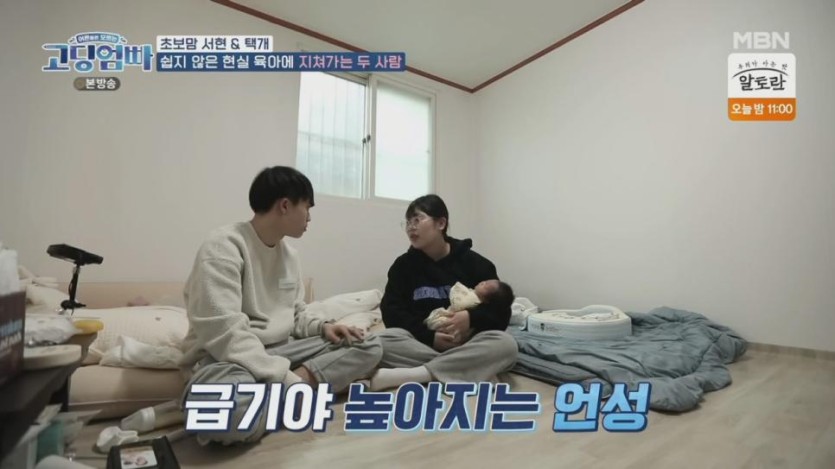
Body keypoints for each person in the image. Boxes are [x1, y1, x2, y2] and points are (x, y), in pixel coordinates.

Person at [179, 166, 382, 445]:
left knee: (368, 344)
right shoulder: (222, 247)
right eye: (307, 207)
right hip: (228, 360)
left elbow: (295, 314)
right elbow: (225, 334)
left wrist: (323, 327)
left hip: (283, 352)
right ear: (285, 205)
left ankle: (280, 397)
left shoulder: (290, 255)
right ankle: (298, 396)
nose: (309, 217)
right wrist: (287, 380)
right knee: (226, 415)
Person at [370, 194, 518, 391]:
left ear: (441, 223)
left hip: (466, 343)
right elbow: (392, 313)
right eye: (407, 222)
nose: (411, 227)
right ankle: (469, 370)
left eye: (417, 219)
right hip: (421, 343)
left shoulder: (476, 264)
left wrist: (470, 318)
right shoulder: (402, 266)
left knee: (506, 345)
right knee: (379, 342)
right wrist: (429, 337)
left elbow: (502, 313)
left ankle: (418, 374)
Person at [424, 280, 515, 333]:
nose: (482, 282)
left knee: (506, 343)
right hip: (424, 337)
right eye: (484, 282)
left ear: (488, 301)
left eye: (485, 286)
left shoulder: (482, 265)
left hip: (465, 337)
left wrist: (471, 316)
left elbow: (503, 309)